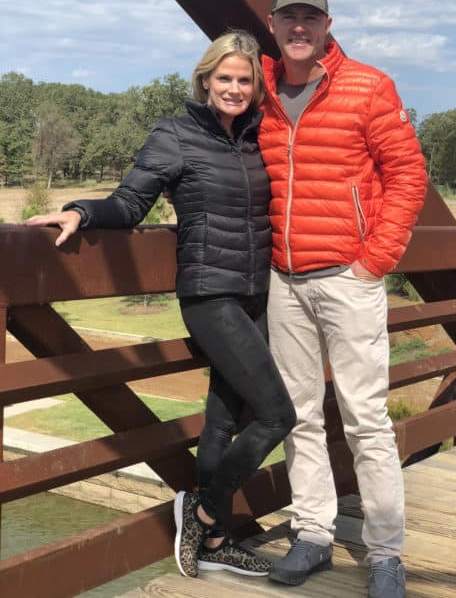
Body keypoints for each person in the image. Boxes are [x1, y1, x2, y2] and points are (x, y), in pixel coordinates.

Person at [23, 30, 296, 581]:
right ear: (205, 79)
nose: (235, 88)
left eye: (245, 80)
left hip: (256, 294)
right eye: (225, 78)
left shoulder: (258, 139)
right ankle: (201, 513)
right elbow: (130, 202)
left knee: (225, 418)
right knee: (276, 414)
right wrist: (80, 210)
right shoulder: (174, 134)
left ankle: (215, 541)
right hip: (209, 294)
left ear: (256, 87)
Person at [258, 0, 428, 598]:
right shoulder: (264, 89)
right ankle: (311, 535)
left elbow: (408, 175)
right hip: (284, 279)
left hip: (348, 279)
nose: (299, 27)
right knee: (299, 416)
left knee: (366, 420)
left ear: (327, 25)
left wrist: (374, 261)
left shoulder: (367, 85)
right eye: (288, 17)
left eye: (311, 16)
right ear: (272, 24)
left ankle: (385, 554)